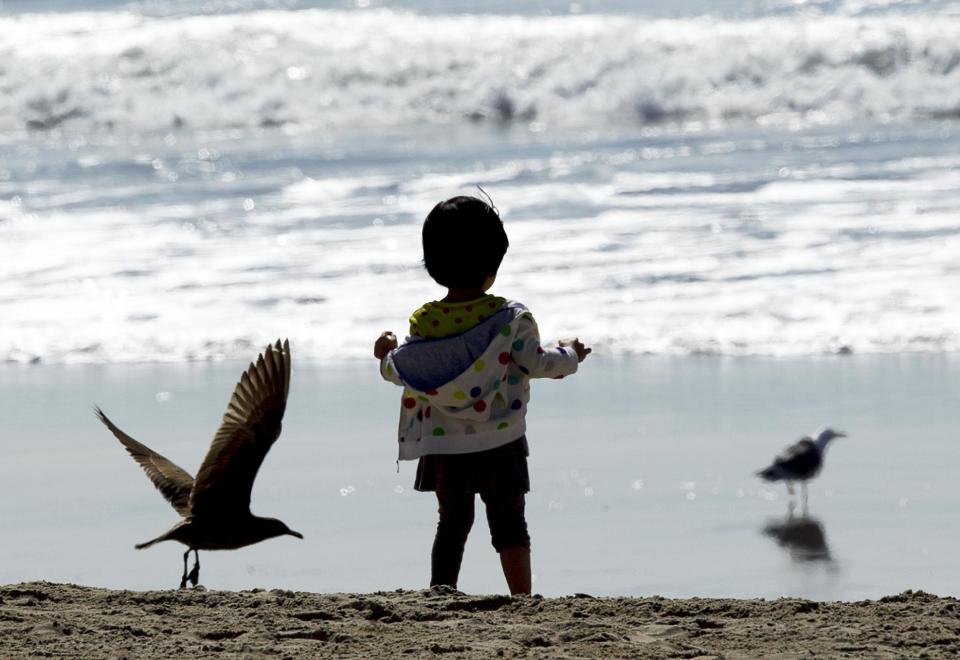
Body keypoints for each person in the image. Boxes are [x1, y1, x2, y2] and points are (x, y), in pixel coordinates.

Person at [374, 195, 590, 595]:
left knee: (452, 522)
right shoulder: (510, 320)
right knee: (509, 521)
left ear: (433, 266)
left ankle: (441, 591)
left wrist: (385, 352)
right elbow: (538, 363)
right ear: (492, 266)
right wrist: (572, 354)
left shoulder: (426, 322)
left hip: (444, 444)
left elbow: (404, 370)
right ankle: (521, 597)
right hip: (501, 440)